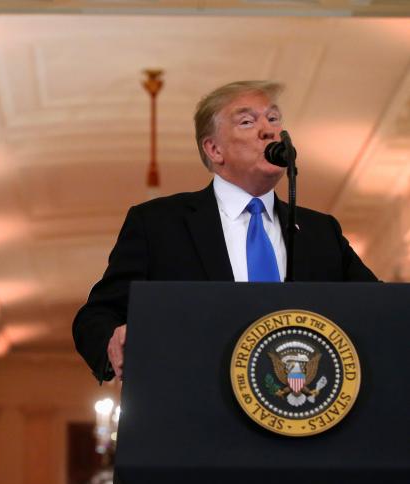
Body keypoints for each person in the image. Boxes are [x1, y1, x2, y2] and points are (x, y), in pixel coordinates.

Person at [72, 80, 378, 384]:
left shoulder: (320, 232)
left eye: (273, 119)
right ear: (214, 149)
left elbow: (381, 311)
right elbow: (95, 317)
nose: (270, 130)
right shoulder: (158, 224)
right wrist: (114, 340)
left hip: (303, 411)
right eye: (248, 121)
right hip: (196, 410)